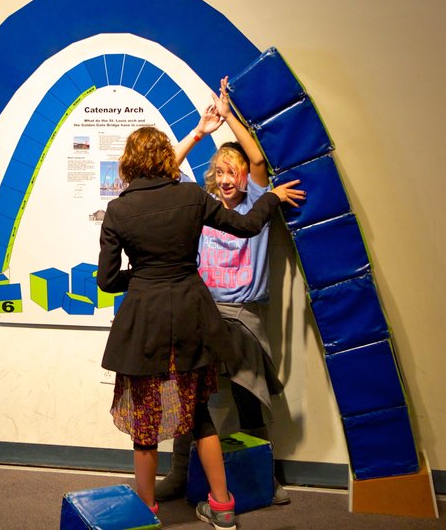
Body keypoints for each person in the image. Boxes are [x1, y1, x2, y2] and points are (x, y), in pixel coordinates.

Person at [96, 116, 304, 530]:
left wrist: (138, 278)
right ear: (164, 159)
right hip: (193, 316)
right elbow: (247, 226)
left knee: (146, 423)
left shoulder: (119, 210)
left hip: (145, 323)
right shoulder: (192, 196)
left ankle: (146, 512)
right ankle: (223, 506)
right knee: (200, 416)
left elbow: (106, 280)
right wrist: (273, 198)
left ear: (129, 163)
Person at [156, 76, 291, 505]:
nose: (227, 177)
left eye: (233, 172)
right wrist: (201, 130)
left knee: (248, 398)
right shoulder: (202, 206)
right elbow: (162, 176)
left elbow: (256, 159)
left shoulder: (256, 205)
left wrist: (229, 116)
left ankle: (260, 478)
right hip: (205, 313)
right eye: (220, 171)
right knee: (191, 397)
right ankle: (179, 474)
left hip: (244, 316)